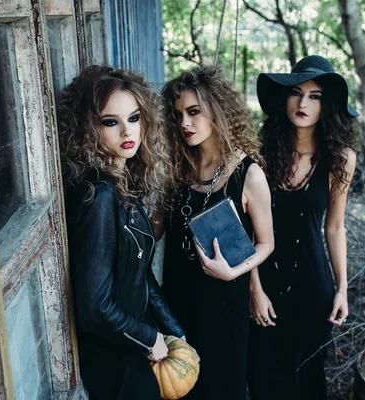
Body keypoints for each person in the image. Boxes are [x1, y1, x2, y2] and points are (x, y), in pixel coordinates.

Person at [59, 66, 186, 400]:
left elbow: (140, 275)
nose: (127, 131)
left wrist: (175, 334)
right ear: (88, 128)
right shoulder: (98, 196)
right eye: (110, 122)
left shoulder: (123, 182)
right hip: (113, 356)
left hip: (130, 342)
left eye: (134, 118)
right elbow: (94, 307)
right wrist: (147, 337)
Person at [159, 66, 274, 400]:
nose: (184, 123)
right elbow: (157, 230)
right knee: (180, 388)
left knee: (220, 388)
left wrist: (235, 273)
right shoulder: (178, 169)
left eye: (194, 112)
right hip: (177, 298)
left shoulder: (248, 175)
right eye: (178, 114)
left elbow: (266, 243)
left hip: (222, 304)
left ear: (218, 111)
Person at [248, 55, 358, 399]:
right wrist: (253, 288)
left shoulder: (341, 159)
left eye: (315, 96)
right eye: (297, 93)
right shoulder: (260, 153)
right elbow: (247, 227)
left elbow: (335, 227)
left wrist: (341, 288)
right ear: (285, 99)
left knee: (306, 379)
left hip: (313, 288)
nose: (304, 103)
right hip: (264, 282)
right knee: (264, 375)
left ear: (328, 105)